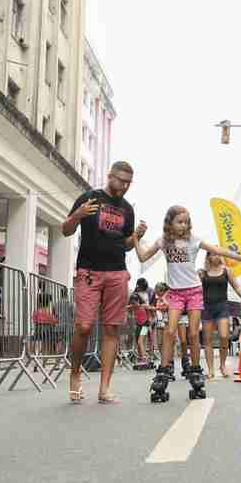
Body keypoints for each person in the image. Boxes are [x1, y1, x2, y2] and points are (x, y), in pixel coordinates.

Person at [136, 205, 241, 403]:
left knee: (192, 333)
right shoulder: (163, 241)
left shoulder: (193, 240)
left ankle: (196, 371)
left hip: (194, 291)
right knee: (170, 332)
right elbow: (143, 256)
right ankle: (163, 371)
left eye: (186, 221)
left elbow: (217, 249)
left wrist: (239, 257)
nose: (184, 225)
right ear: (170, 223)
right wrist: (136, 239)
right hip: (176, 293)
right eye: (180, 221)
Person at [61, 161, 144, 404]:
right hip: (89, 271)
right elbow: (65, 230)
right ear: (110, 176)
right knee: (84, 326)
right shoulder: (89, 198)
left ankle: (104, 387)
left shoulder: (128, 209)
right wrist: (77, 215)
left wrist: (136, 235)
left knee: (111, 329)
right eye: (120, 180)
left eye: (128, 183)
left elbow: (126, 244)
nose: (124, 186)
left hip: (117, 272)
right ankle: (75, 374)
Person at [199, 252, 241, 379]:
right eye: (213, 255)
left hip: (222, 307)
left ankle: (222, 365)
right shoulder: (202, 273)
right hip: (206, 308)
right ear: (208, 257)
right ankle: (210, 369)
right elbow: (195, 290)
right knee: (207, 340)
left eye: (218, 254)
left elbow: (236, 287)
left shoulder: (227, 271)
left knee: (224, 336)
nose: (216, 257)